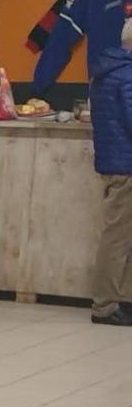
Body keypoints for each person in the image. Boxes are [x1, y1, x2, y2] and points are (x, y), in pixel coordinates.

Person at [87, 20, 132, 326]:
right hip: (126, 166)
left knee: (119, 236)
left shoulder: (107, 71)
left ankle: (118, 299)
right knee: (117, 238)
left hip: (114, 162)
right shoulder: (128, 75)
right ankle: (105, 305)